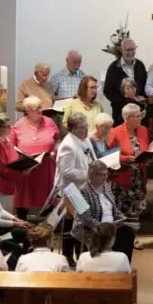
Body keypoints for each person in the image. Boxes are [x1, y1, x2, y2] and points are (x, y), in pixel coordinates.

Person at [71, 161, 136, 262]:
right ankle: (110, 264)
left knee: (128, 232)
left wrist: (121, 218)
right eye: (102, 175)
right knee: (110, 238)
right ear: (92, 175)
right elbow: (86, 219)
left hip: (110, 225)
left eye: (106, 174)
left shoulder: (106, 187)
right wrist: (103, 228)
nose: (105, 177)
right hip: (91, 228)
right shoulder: (81, 192)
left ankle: (122, 266)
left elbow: (114, 208)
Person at [55, 113, 96, 266]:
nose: (85, 130)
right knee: (74, 224)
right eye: (81, 128)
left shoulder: (84, 139)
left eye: (86, 126)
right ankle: (68, 255)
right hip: (71, 191)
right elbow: (67, 171)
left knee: (80, 222)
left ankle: (82, 253)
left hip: (84, 188)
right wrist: (89, 174)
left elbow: (91, 157)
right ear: (72, 129)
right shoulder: (68, 145)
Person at [10, 96, 60, 220]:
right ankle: (23, 225)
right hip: (28, 168)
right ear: (27, 110)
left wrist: (55, 150)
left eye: (40, 106)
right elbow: (11, 146)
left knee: (49, 198)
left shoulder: (49, 122)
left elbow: (57, 139)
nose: (40, 110)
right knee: (24, 196)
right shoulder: (18, 125)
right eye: (36, 108)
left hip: (46, 166)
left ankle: (49, 226)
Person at [108, 103, 149, 249]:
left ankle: (133, 237)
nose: (140, 118)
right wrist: (125, 159)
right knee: (120, 209)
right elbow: (107, 155)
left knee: (135, 209)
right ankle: (118, 238)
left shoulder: (143, 130)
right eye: (137, 116)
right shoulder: (115, 132)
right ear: (128, 118)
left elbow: (146, 149)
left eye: (140, 115)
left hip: (138, 176)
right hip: (121, 177)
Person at [0, 161, 30, 270]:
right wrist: (17, 223)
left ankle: (27, 264)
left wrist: (16, 218)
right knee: (17, 244)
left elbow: (0, 210)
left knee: (27, 231)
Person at [103, 39, 148, 126]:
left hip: (138, 111)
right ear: (121, 50)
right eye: (127, 50)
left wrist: (142, 99)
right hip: (120, 112)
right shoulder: (113, 68)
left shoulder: (140, 65)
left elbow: (144, 86)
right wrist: (125, 102)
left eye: (132, 49)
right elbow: (107, 91)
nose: (130, 52)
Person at [0, 114, 20, 214]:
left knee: (9, 212)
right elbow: (1, 168)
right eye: (7, 126)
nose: (10, 128)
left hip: (10, 183)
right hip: (1, 185)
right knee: (3, 214)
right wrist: (20, 172)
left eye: (10, 125)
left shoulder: (7, 140)